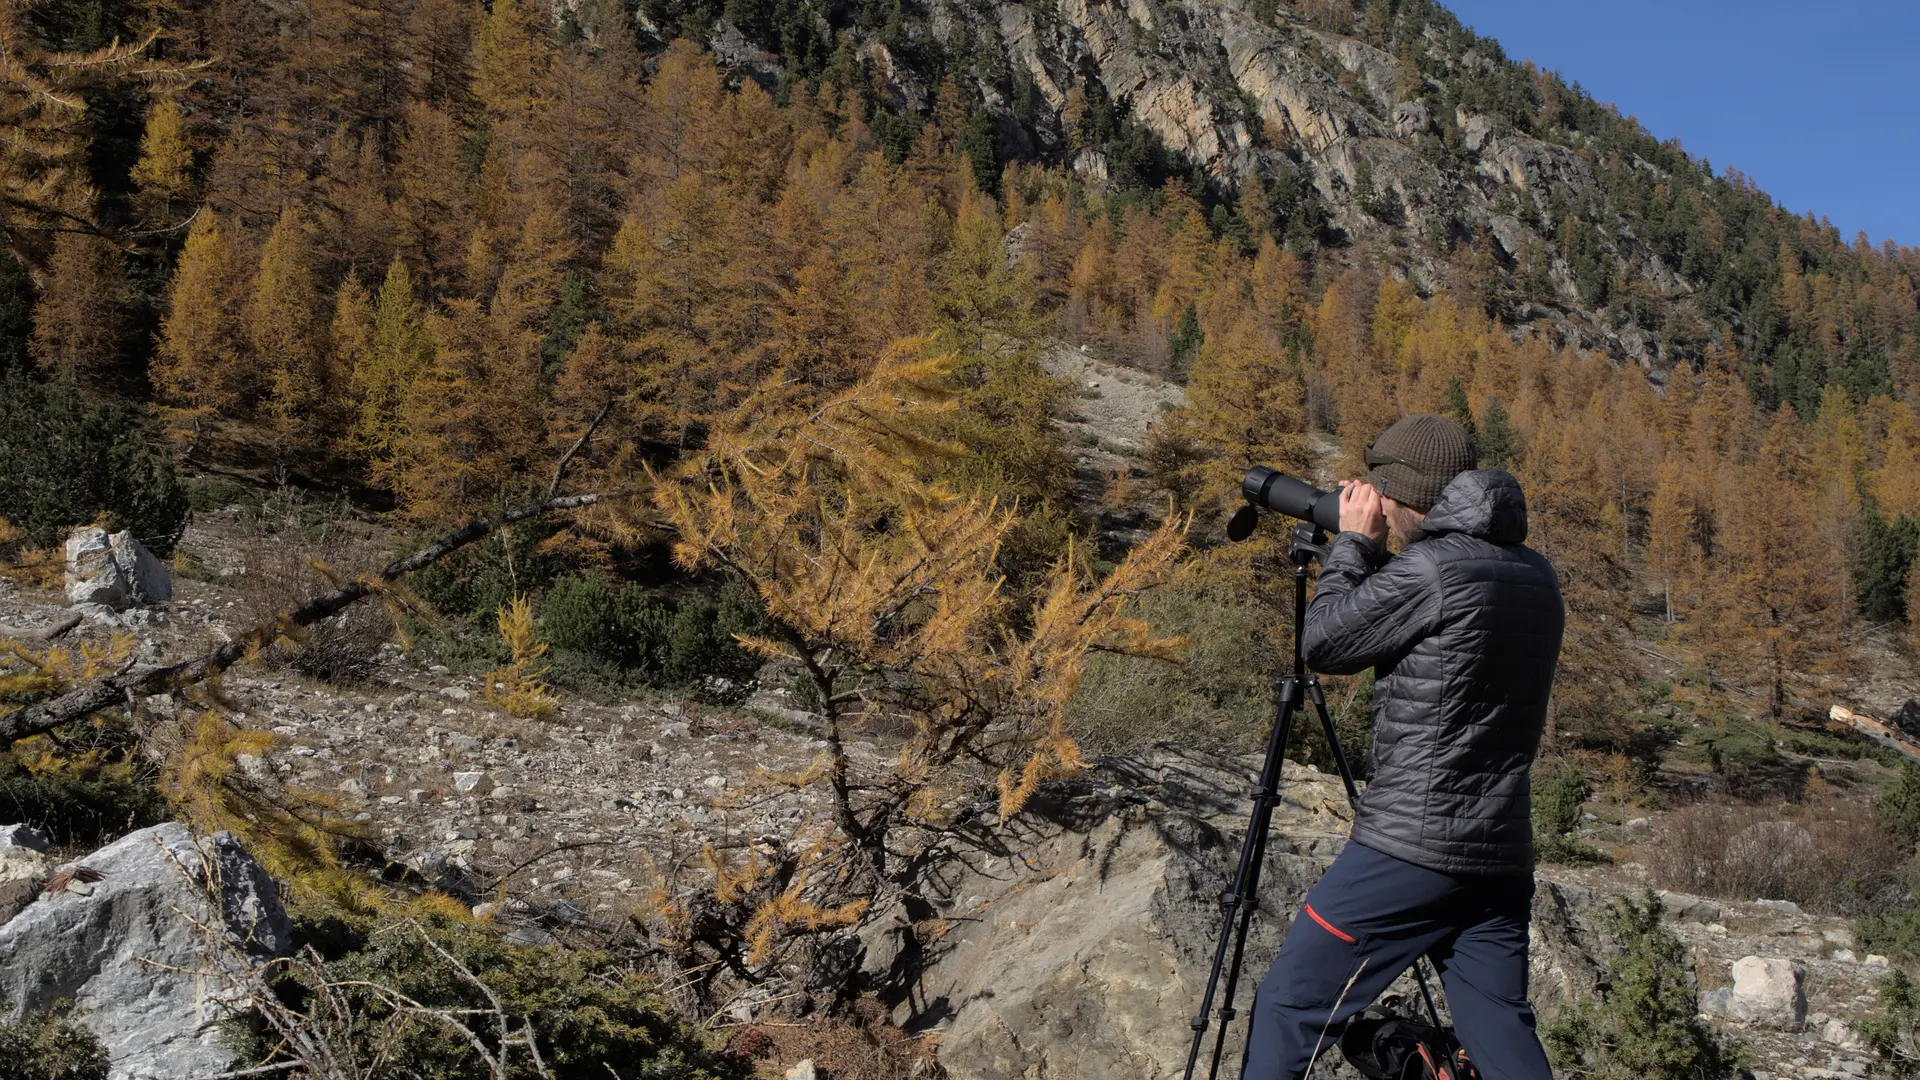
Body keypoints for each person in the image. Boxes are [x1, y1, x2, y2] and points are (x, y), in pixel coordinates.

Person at [1239, 413, 1566, 1080]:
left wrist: (1353, 548)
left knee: (1289, 1006)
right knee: (1498, 1027)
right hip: (1499, 853)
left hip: (1412, 848)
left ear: (1398, 493)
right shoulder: (1535, 573)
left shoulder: (1432, 571)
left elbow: (1326, 643)